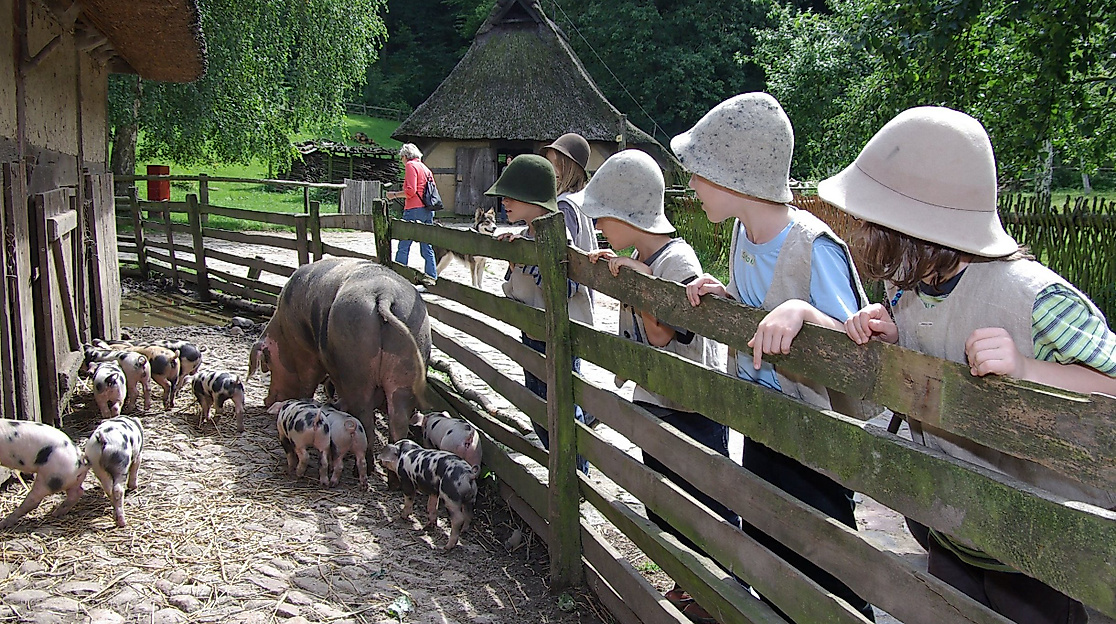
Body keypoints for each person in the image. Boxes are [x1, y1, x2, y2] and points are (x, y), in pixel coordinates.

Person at [829, 106, 1116, 624]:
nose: (863, 233)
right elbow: (936, 334)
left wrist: (1028, 371)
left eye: (873, 221)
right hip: (953, 524)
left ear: (915, 226)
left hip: (1036, 549)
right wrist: (895, 333)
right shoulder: (910, 285)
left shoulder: (1035, 299)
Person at [679, 92, 876, 621]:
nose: (692, 184)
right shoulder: (743, 232)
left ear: (734, 177)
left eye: (699, 172)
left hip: (813, 439)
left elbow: (858, 348)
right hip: (762, 420)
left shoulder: (814, 245)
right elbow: (760, 308)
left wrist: (803, 312)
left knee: (826, 561)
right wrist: (726, 297)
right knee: (768, 543)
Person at [583, 149, 738, 624]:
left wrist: (641, 281)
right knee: (663, 501)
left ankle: (720, 592)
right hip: (655, 400)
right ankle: (686, 581)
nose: (599, 227)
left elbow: (662, 334)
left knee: (705, 504)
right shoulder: (641, 257)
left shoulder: (677, 261)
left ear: (628, 215)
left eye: (603, 217)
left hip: (691, 407)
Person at [486, 154, 595, 474]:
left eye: (511, 195)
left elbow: (567, 285)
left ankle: (576, 475)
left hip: (557, 341)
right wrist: (515, 254)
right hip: (532, 334)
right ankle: (562, 469)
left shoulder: (558, 235)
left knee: (561, 408)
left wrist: (529, 258)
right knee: (538, 409)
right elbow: (516, 284)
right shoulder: (526, 236)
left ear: (534, 198)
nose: (504, 202)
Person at [541, 133, 599, 255]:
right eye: (549, 162)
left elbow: (560, 253)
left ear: (571, 168)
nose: (551, 169)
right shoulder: (579, 199)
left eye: (557, 164)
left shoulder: (564, 206)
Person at [387, 143, 437, 279]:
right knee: (426, 246)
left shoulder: (411, 166)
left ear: (405, 156)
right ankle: (431, 277)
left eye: (401, 158)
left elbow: (410, 191)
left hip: (414, 209)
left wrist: (394, 195)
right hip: (428, 209)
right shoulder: (425, 168)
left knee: (404, 244)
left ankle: (399, 276)